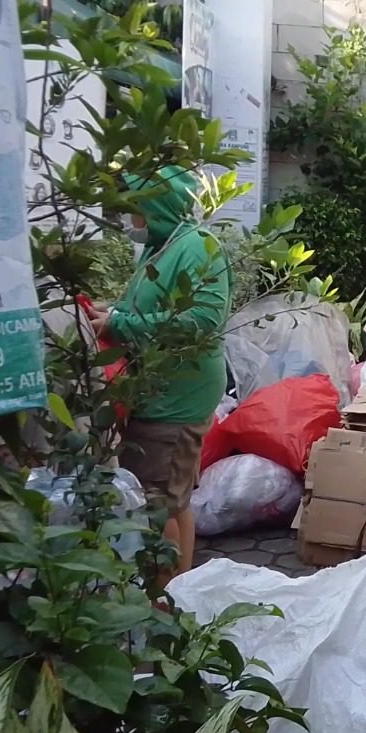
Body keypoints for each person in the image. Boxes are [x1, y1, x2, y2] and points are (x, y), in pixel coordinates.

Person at [89, 166, 232, 583]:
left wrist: (122, 325)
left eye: (134, 207)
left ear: (155, 204)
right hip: (164, 390)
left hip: (177, 399)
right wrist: (113, 315)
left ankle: (162, 600)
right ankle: (177, 590)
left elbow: (204, 318)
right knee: (173, 499)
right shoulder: (165, 246)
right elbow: (151, 307)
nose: (128, 218)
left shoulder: (198, 246)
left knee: (158, 504)